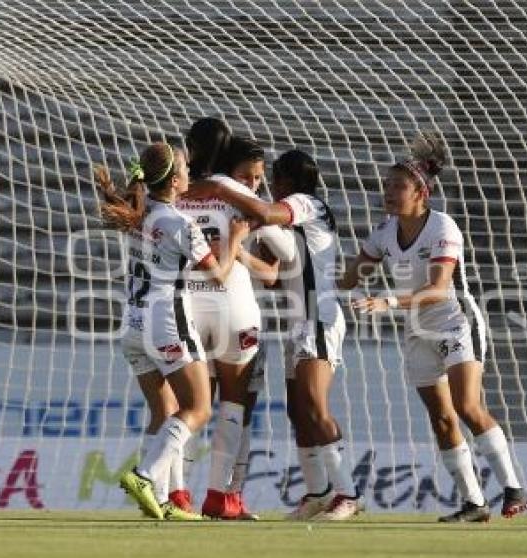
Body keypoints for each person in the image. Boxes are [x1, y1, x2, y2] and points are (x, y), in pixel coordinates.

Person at [340, 132, 527, 522]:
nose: (389, 192)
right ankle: (474, 503)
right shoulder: (383, 232)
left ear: (421, 193)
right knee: (441, 419)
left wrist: (388, 301)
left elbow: (440, 288)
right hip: (417, 329)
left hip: (455, 320)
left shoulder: (442, 226)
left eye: (399, 186)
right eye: (388, 184)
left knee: (467, 406)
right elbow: (348, 276)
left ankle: (513, 487)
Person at [191, 149, 361, 521]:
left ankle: (347, 495)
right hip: (299, 322)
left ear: (286, 181)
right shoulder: (294, 221)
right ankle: (318, 493)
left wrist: (221, 187)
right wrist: (239, 252)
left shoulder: (305, 203)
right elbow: (277, 274)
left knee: (315, 407)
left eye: (270, 179)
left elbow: (265, 213)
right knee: (298, 412)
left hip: (319, 318)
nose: (265, 186)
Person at [94, 141, 248, 521]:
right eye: (184, 168)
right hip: (167, 323)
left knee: (163, 413)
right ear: (177, 180)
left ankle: (159, 500)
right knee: (198, 408)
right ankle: (144, 476)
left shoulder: (137, 213)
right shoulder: (181, 223)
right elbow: (218, 275)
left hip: (132, 324)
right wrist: (236, 240)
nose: (189, 173)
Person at [181, 132, 294, 519]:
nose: (254, 183)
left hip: (189, 305)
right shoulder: (236, 195)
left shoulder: (175, 191)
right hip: (234, 306)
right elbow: (286, 253)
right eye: (249, 175)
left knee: (192, 406)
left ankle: (177, 497)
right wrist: (244, 247)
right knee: (234, 403)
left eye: (257, 177)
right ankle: (218, 496)